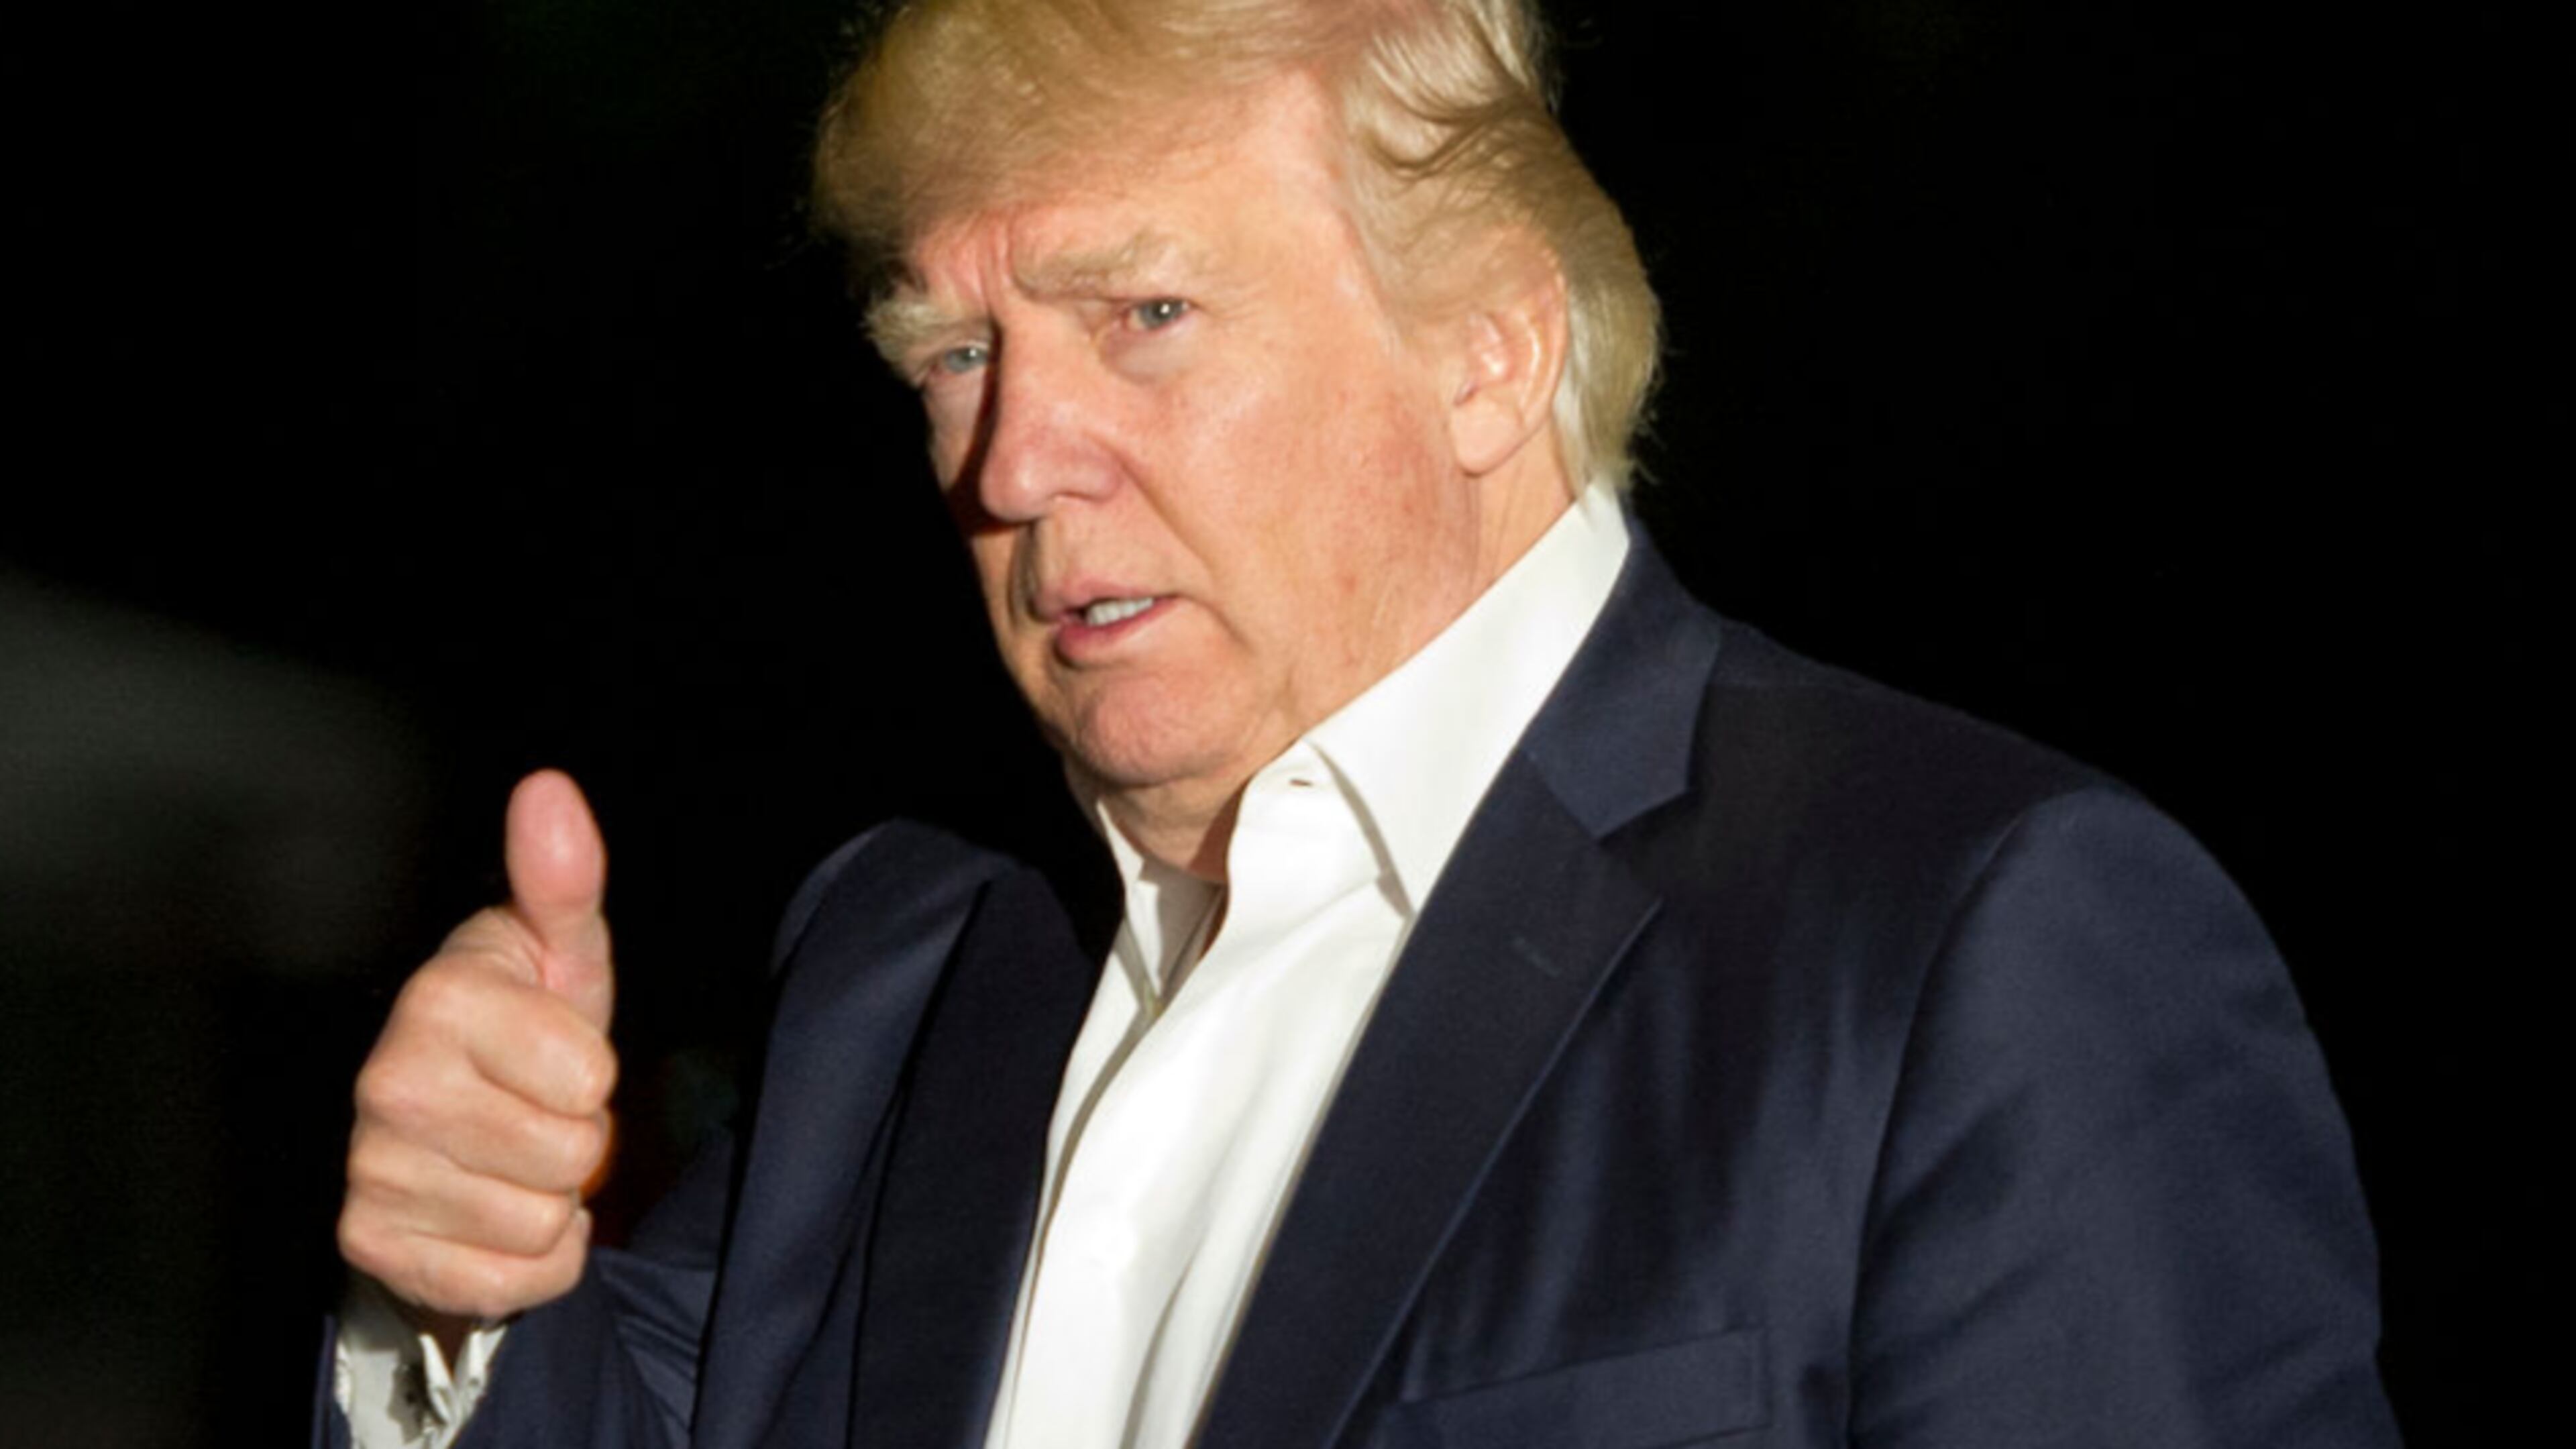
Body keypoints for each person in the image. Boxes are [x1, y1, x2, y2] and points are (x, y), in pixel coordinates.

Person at [321, 1, 2400, 1445]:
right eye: (954, 353)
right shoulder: (911, 969)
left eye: (1145, 314)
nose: (1014, 460)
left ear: (1491, 348)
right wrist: (457, 1301)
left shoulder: (1974, 944)